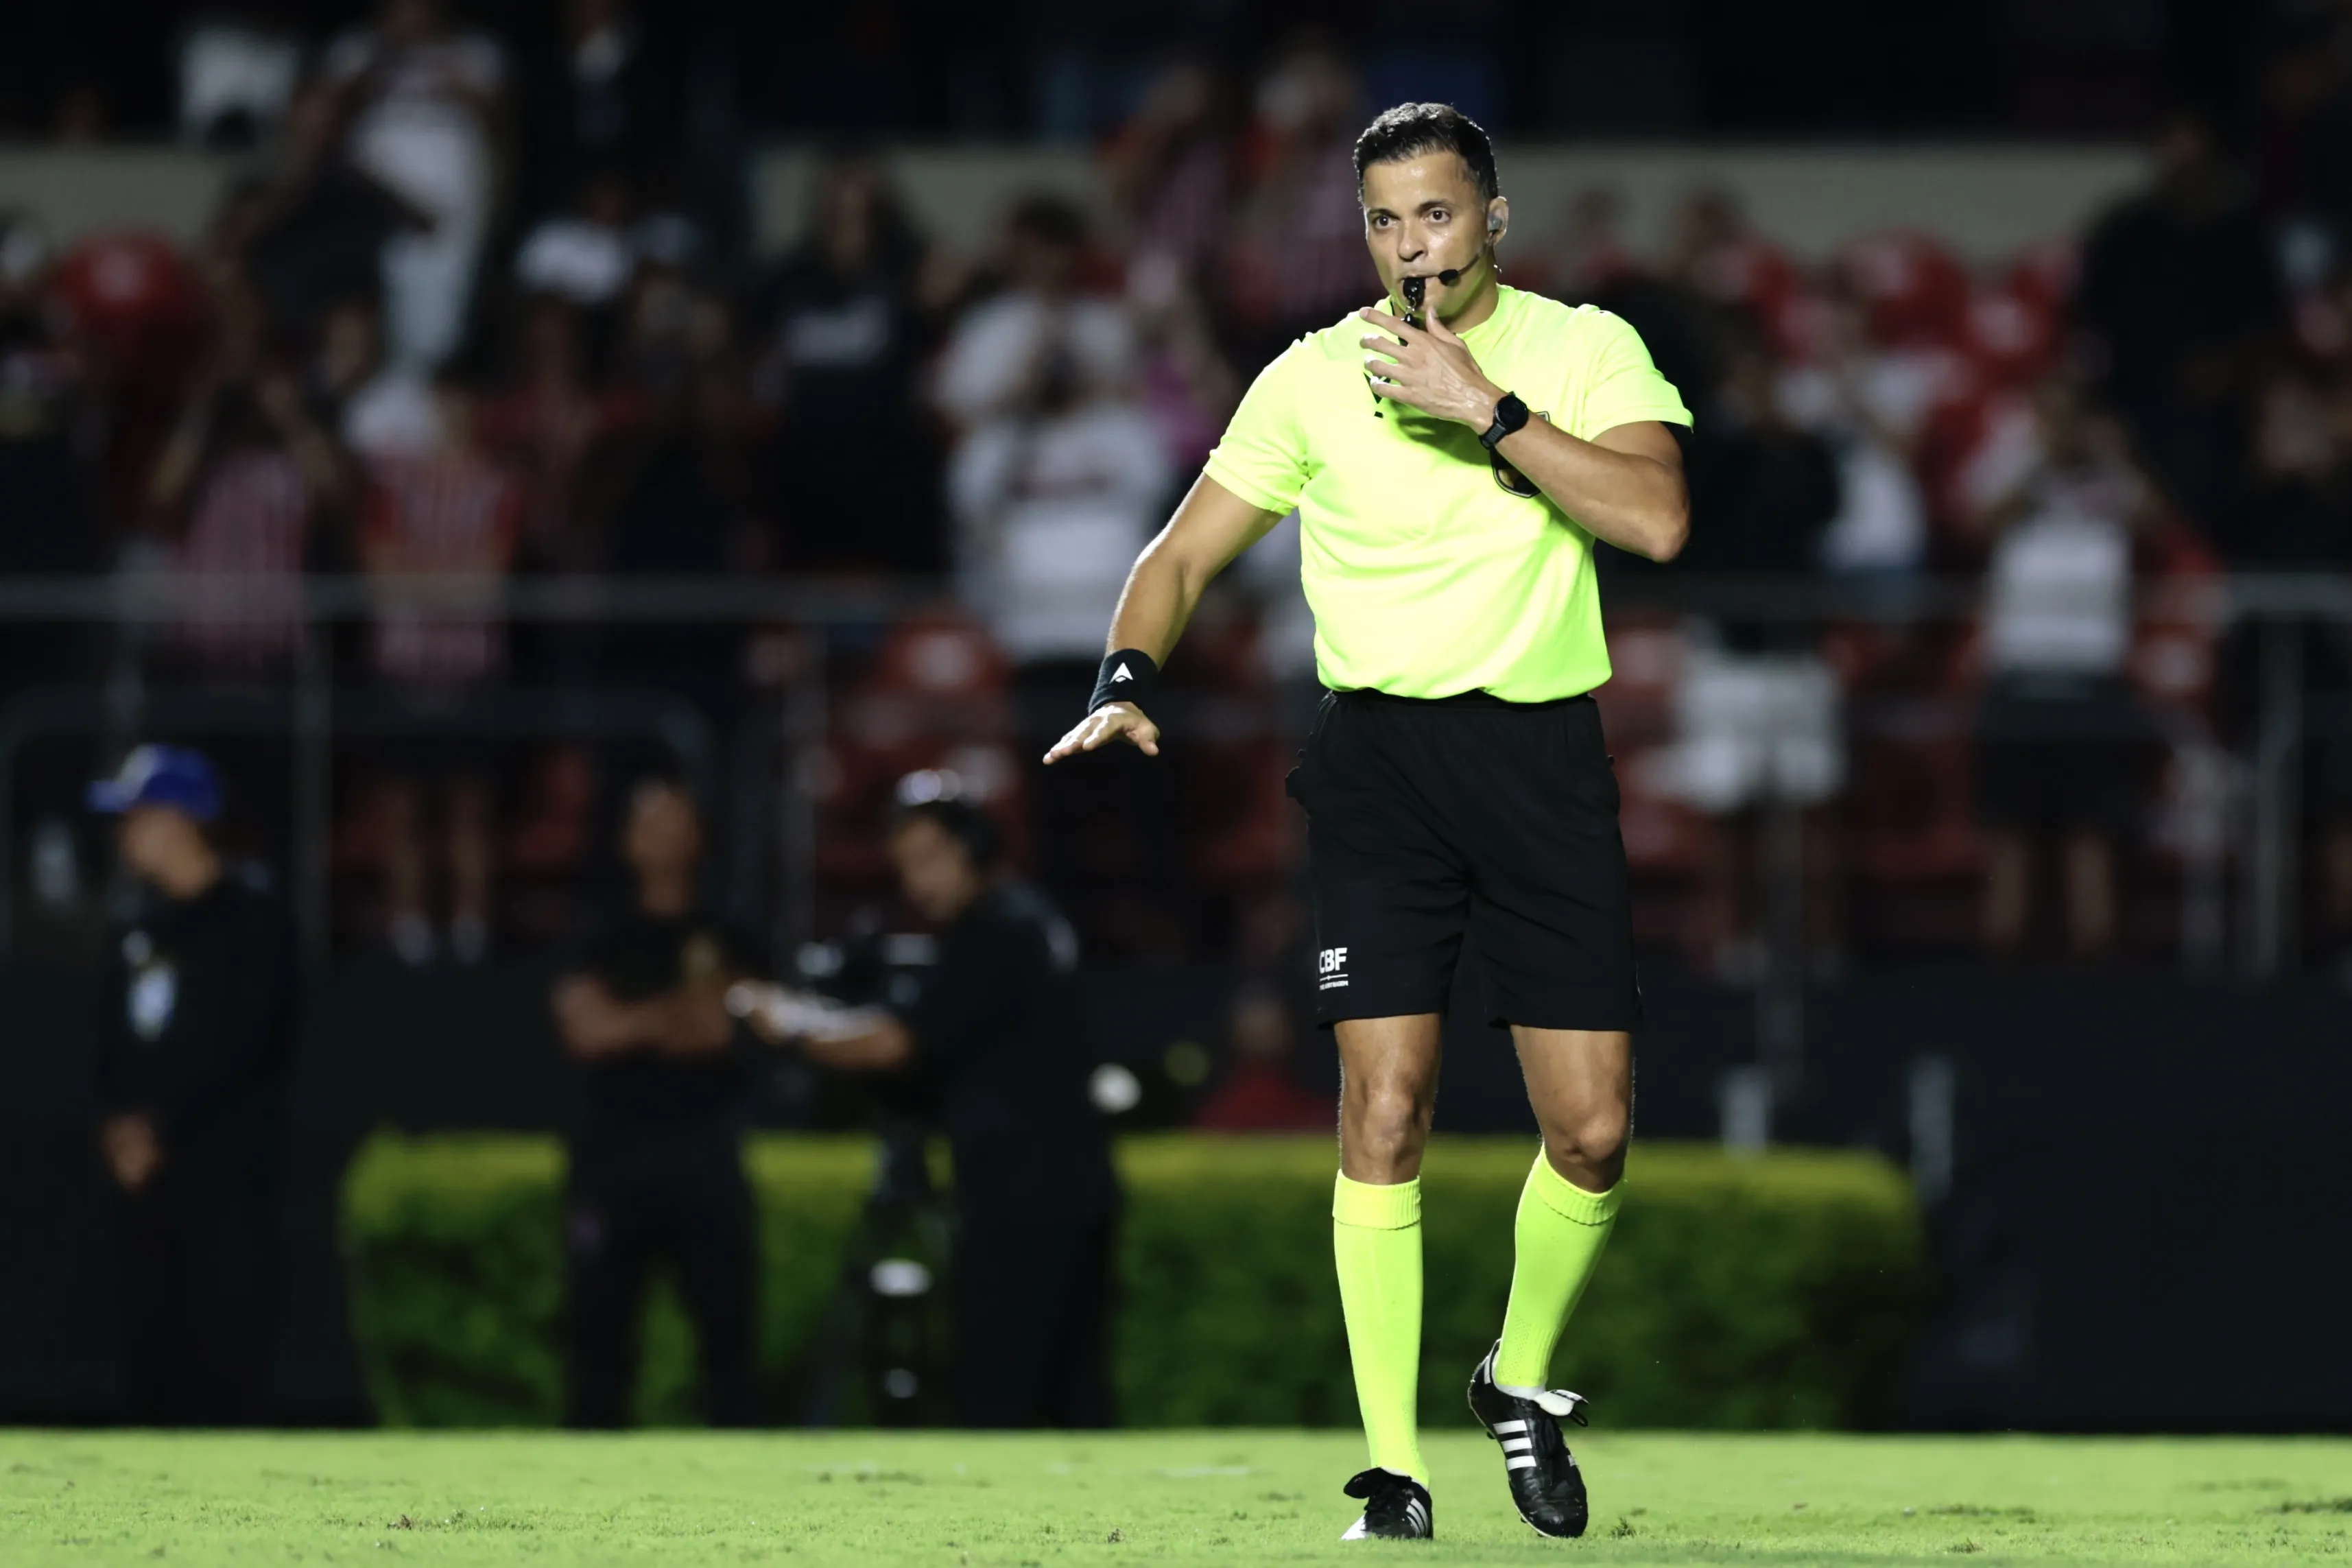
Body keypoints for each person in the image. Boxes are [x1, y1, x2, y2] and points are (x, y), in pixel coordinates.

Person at [1045, 102, 1692, 1541]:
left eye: (1437, 216)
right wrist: (1125, 678)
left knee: (1590, 1134)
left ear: (1494, 219)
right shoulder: (1306, 380)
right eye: (1387, 222)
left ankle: (1517, 1384)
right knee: (1381, 1111)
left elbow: (1655, 523)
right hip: (1381, 775)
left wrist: (1488, 410)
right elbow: (1178, 553)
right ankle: (1393, 1472)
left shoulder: (1582, 349)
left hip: (1540, 765)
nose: (1412, 248)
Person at [734, 796, 1120, 1429]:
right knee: (1069, 1396)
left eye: (930, 860)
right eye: (906, 866)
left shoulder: (999, 929)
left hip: (1025, 1197)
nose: (918, 884)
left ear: (974, 851)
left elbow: (894, 1044)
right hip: (1066, 1187)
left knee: (1006, 1394)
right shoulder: (1028, 918)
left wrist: (792, 1027)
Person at [87, 745, 300, 1425]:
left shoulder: (257, 921)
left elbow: (246, 1043)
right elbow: (111, 1049)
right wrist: (117, 1127)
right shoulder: (136, 928)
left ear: (181, 819)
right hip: (146, 1191)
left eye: (136, 815)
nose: (122, 833)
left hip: (226, 1183)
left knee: (226, 1371)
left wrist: (161, 1128)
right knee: (148, 1369)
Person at [549, 776, 759, 1427]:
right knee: (597, 1341)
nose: (664, 836)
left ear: (699, 836)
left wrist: (633, 1022)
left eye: (677, 820)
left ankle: (743, 1496)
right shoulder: (598, 934)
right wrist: (680, 1016)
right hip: (613, 1156)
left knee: (729, 1343)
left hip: (705, 1153)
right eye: (650, 822)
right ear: (625, 841)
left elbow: (732, 1028)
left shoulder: (732, 933)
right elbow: (587, 1031)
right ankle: (584, 1496)